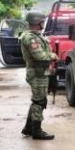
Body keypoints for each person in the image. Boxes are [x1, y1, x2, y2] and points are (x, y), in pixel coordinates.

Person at [19, 11, 59, 140]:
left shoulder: (35, 35)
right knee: (39, 102)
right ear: (38, 22)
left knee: (37, 100)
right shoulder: (31, 37)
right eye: (42, 21)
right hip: (37, 73)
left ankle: (28, 128)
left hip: (39, 72)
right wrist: (53, 56)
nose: (44, 23)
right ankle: (36, 131)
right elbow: (39, 56)